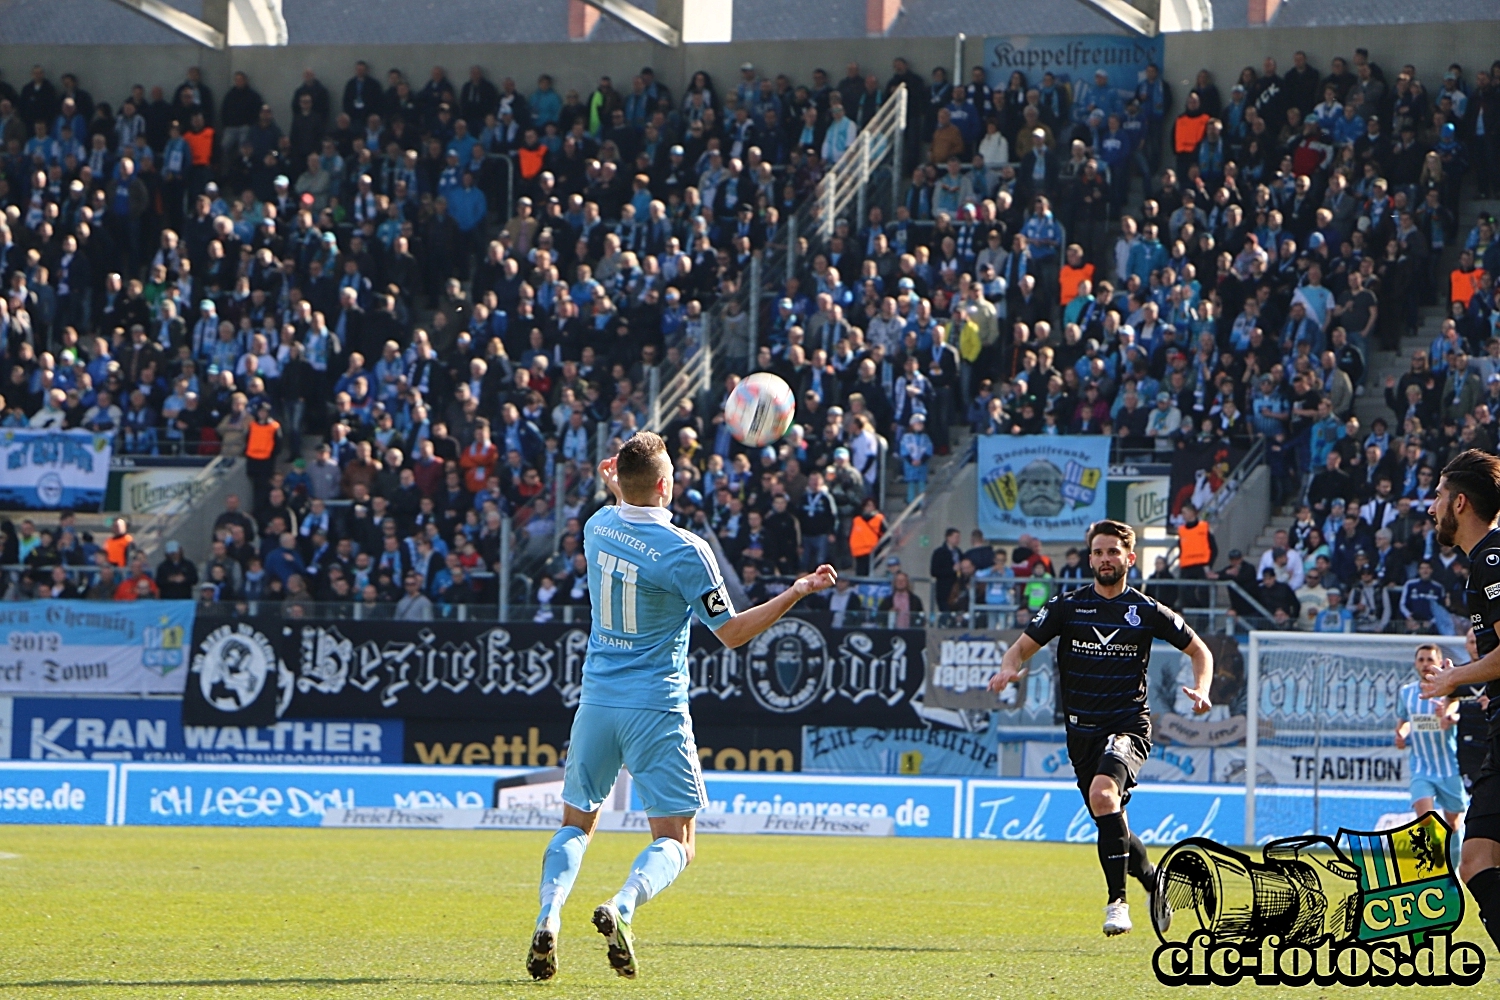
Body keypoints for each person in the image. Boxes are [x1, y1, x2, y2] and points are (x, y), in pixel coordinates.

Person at [527, 432, 836, 981]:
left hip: (596, 701)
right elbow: (733, 632)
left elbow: (622, 499)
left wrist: (615, 481)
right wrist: (795, 592)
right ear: (667, 486)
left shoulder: (597, 528)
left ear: (619, 479)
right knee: (677, 840)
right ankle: (621, 905)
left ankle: (549, 918)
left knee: (576, 823)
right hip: (656, 707)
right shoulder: (687, 552)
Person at [989, 519, 1212, 936]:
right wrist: (1007, 670)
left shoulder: (1146, 610)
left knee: (1103, 793)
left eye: (1113, 552)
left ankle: (1117, 903)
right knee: (1110, 815)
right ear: (1089, 558)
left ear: (1129, 558)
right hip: (1081, 733)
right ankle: (1153, 881)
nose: (1105, 559)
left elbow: (1200, 650)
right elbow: (1019, 649)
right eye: (1098, 552)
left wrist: (1201, 689)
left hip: (1128, 725)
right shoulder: (1066, 607)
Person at [1420, 449, 1500, 956]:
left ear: (1461, 503)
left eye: (1439, 496)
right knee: (1476, 860)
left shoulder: (1493, 559)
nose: (1432, 507)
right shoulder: (1484, 562)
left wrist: (1457, 678)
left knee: (1478, 860)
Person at [1396, 643, 1466, 864]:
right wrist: (1401, 733)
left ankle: (1452, 870)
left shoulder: (1447, 690)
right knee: (1425, 818)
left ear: (1438, 663)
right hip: (1421, 766)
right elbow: (1405, 722)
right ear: (1416, 664)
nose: (1425, 664)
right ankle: (1438, 861)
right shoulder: (1406, 693)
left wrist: (1447, 716)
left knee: (1453, 823)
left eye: (1430, 660)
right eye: (1421, 660)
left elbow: (1454, 711)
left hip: (1448, 766)